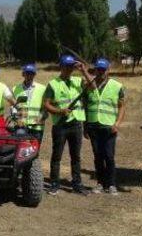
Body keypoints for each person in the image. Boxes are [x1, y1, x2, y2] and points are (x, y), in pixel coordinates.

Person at [43, 54, 92, 196]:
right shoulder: (53, 84)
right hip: (60, 125)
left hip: (76, 124)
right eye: (67, 67)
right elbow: (46, 104)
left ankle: (77, 184)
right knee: (56, 156)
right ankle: (54, 184)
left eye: (72, 67)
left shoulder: (78, 80)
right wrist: (60, 111)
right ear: (61, 67)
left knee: (75, 156)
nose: (70, 69)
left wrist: (83, 70)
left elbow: (93, 86)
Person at [83, 58, 125, 195]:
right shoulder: (90, 85)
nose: (100, 72)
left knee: (109, 156)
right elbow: (85, 106)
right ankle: (100, 183)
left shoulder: (117, 86)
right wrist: (85, 126)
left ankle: (111, 184)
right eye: (98, 69)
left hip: (109, 126)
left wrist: (117, 124)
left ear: (108, 70)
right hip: (93, 125)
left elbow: (122, 107)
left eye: (103, 69)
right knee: (98, 156)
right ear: (95, 70)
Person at [12, 63, 47, 142]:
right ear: (23, 74)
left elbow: (46, 107)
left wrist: (41, 116)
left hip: (37, 127)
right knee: (20, 151)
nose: (29, 76)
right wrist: (17, 120)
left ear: (34, 75)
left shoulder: (42, 89)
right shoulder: (15, 89)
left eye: (31, 74)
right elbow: (13, 107)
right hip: (20, 126)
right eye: (27, 73)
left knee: (35, 152)